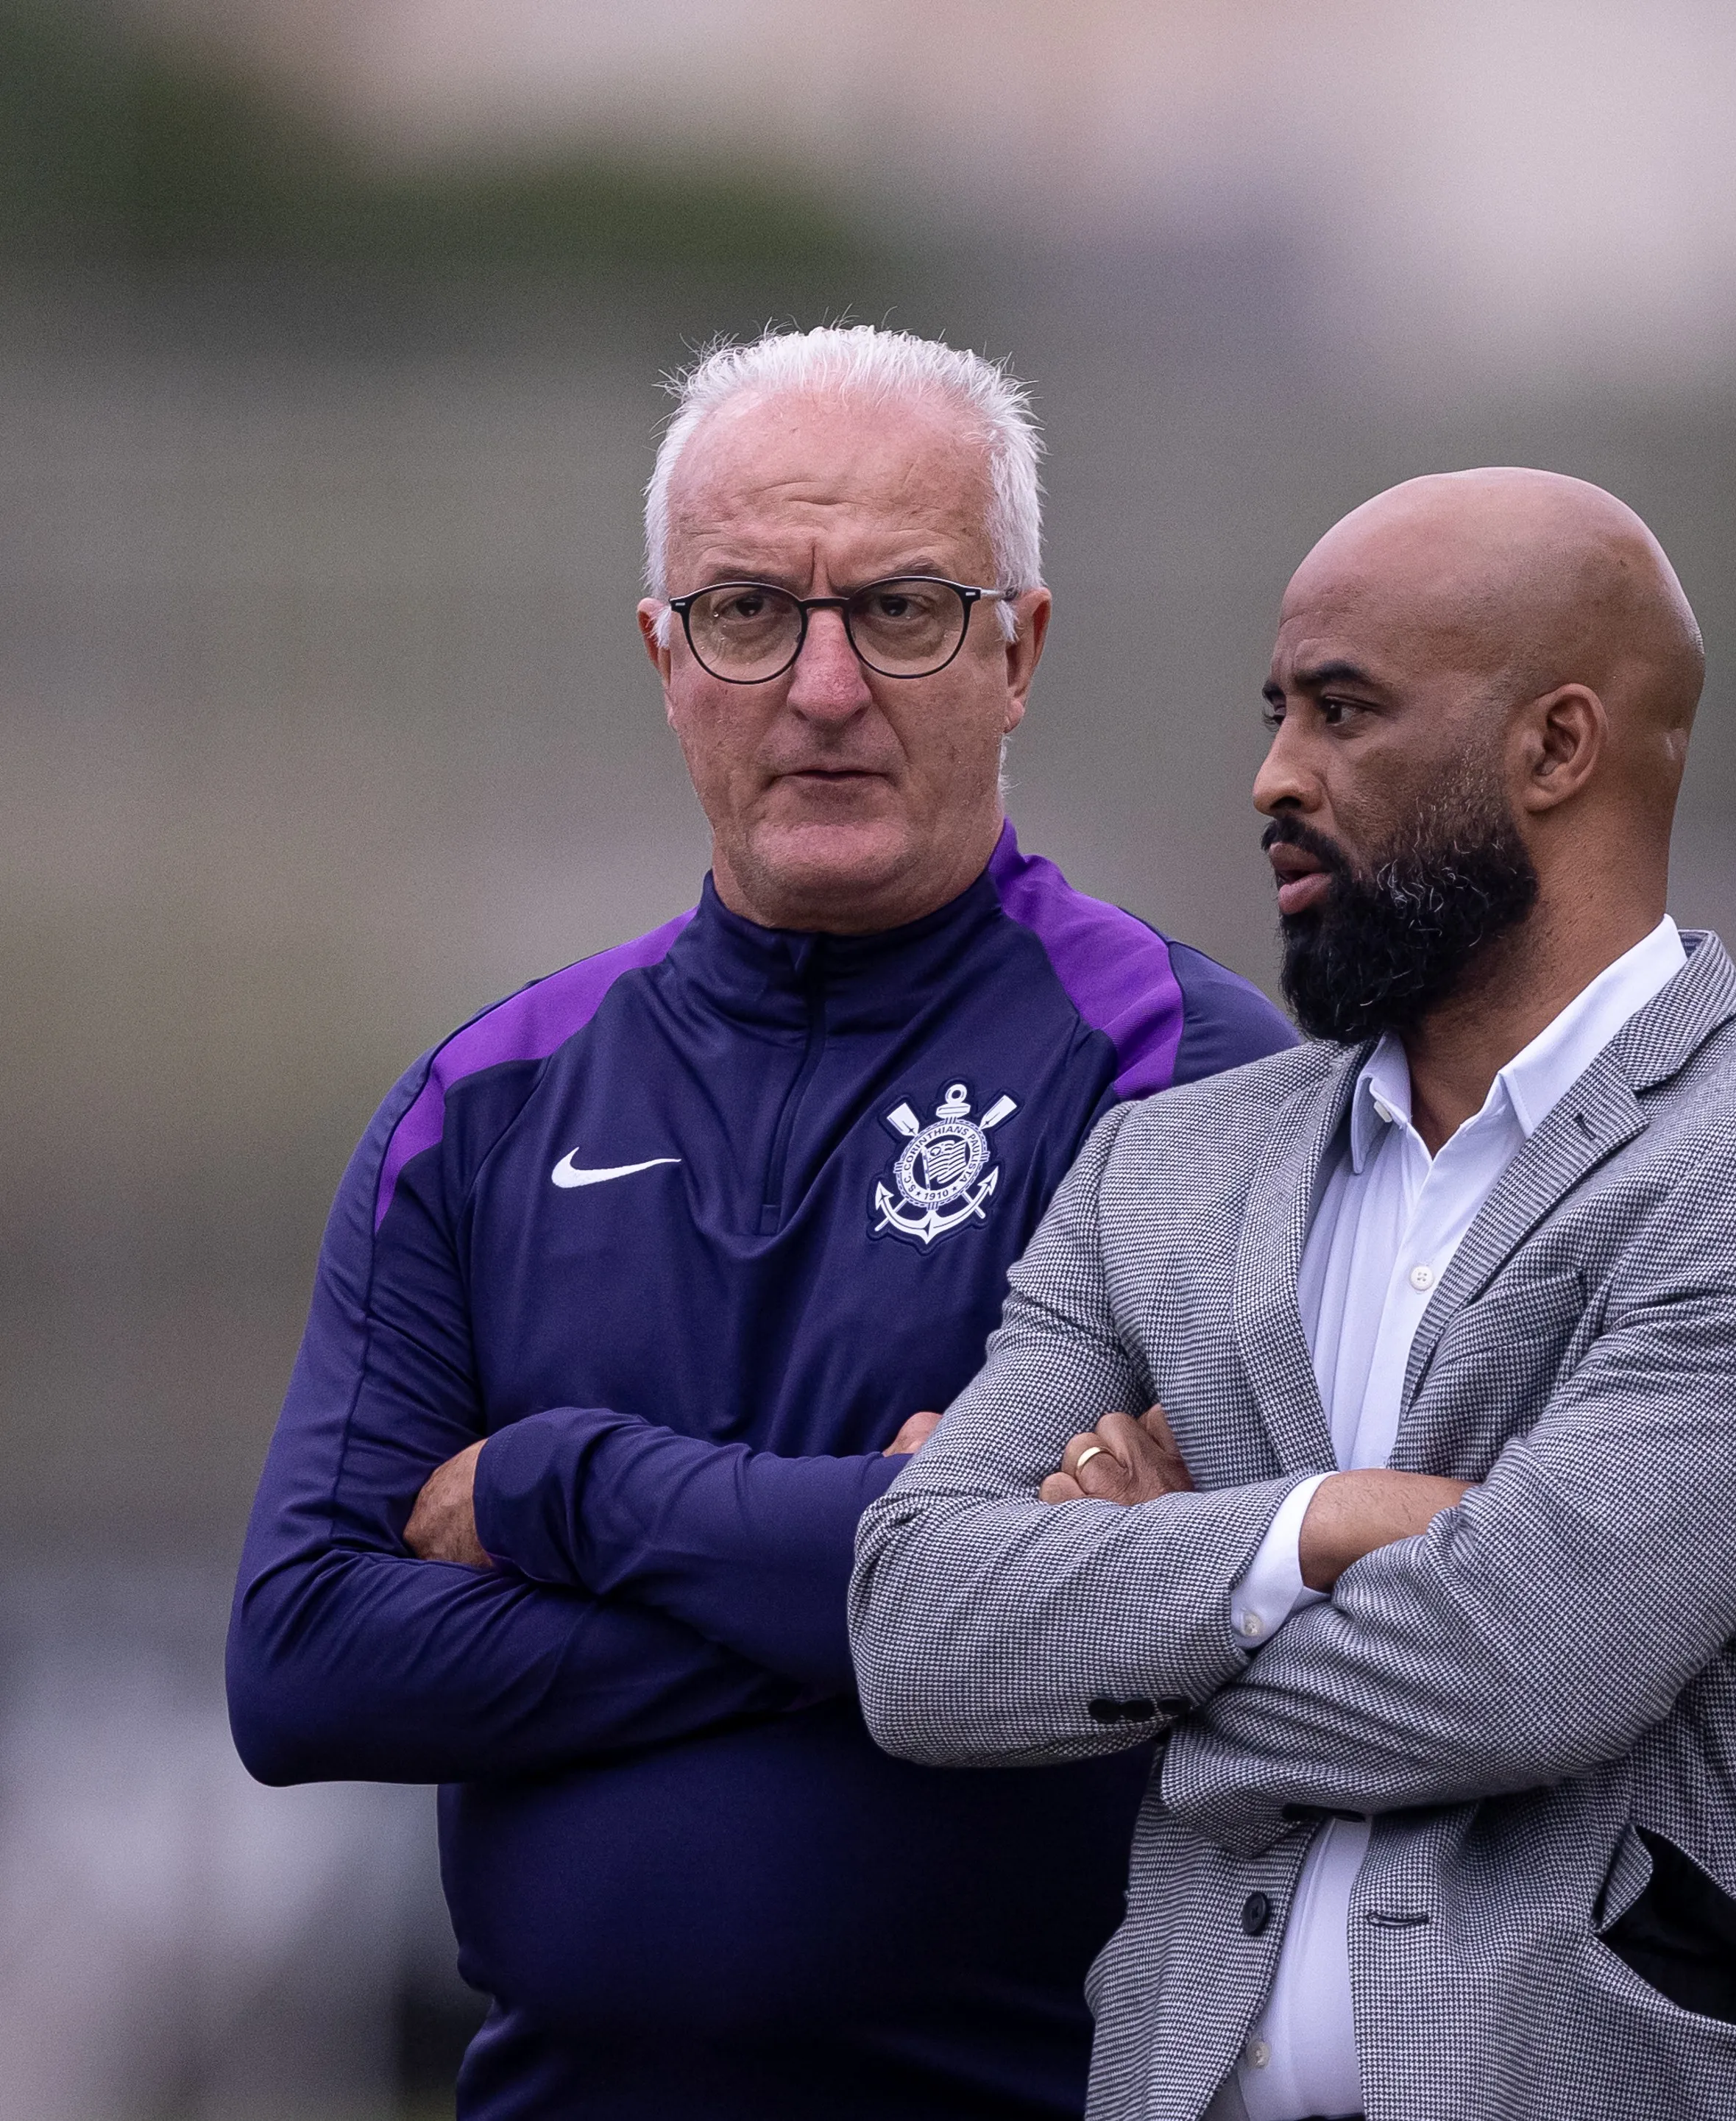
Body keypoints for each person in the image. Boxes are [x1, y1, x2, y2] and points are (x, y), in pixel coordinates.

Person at [225, 324, 1295, 2121]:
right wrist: (893, 1586)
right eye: (747, 613)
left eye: (903, 609)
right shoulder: (482, 1109)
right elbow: (306, 1662)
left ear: (1018, 648)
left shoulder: (1176, 1072)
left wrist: (563, 1490)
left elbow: (1129, 1617)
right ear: (665, 656)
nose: (821, 686)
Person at [851, 468, 1736, 2121]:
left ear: (1557, 747)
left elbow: (1519, 1664)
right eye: (1275, 711)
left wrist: (1137, 1632)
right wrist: (1310, 1528)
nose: (1273, 776)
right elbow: (918, 1636)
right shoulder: (1161, 1171)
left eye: (1344, 712)